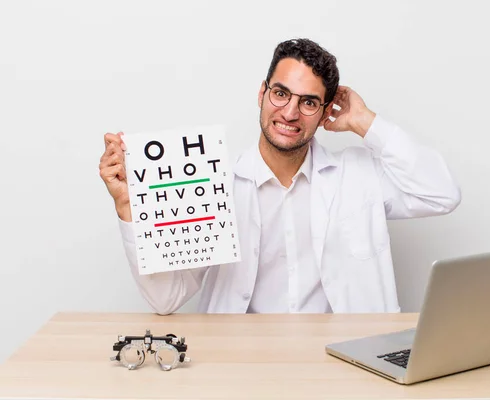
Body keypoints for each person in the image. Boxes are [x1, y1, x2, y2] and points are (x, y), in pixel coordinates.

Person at [99, 38, 461, 315]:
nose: (290, 112)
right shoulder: (214, 184)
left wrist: (365, 122)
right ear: (262, 93)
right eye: (281, 93)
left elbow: (442, 194)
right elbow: (166, 299)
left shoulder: (358, 175)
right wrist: (129, 207)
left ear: (324, 112)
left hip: (347, 366)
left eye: (307, 102)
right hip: (241, 367)